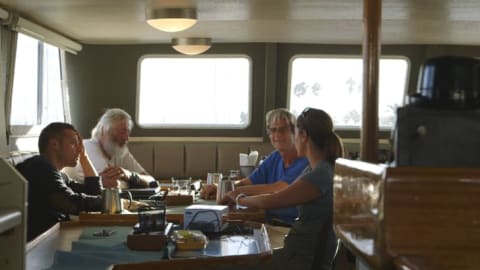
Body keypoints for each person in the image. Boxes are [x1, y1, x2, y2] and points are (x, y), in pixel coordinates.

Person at [226, 108, 344, 270]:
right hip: (296, 249)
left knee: (227, 263)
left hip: (302, 258)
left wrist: (239, 199)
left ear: (303, 136)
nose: (293, 140)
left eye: (293, 133)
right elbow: (278, 193)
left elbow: (275, 199)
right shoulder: (314, 168)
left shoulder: (321, 173)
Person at [202, 108, 309, 225]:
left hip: (290, 225)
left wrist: (236, 192)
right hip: (268, 222)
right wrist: (221, 187)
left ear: (294, 131)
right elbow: (248, 181)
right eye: (273, 130)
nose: (277, 134)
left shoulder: (304, 160)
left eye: (283, 130)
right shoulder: (275, 157)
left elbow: (278, 189)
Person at [16, 122, 120, 241]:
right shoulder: (39, 166)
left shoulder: (58, 174)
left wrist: (84, 158)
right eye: (73, 143)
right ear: (54, 144)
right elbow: (68, 203)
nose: (79, 148)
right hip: (38, 244)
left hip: (55, 236)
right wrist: (111, 202)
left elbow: (94, 193)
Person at [63, 108, 157, 188]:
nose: (126, 138)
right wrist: (131, 180)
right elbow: (112, 184)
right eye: (122, 132)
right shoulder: (89, 147)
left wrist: (129, 175)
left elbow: (151, 180)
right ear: (104, 130)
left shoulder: (119, 150)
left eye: (127, 132)